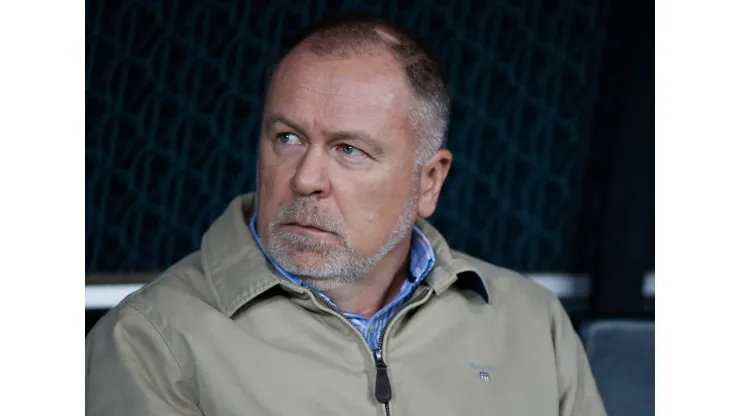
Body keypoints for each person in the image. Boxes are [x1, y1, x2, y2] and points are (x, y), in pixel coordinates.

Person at [85, 15, 606, 416]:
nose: (306, 177)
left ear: (429, 182)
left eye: (349, 149)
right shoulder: (149, 339)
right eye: (287, 138)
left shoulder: (534, 325)